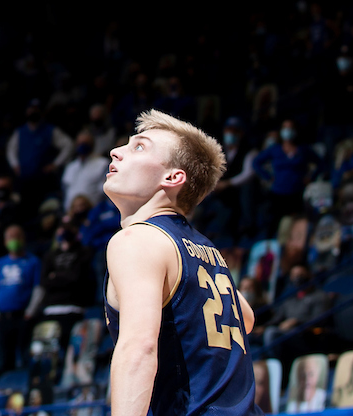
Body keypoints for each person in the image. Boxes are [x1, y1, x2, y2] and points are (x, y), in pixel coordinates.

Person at [103, 109, 261, 416]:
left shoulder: (137, 240)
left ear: (173, 177)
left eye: (139, 146)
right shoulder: (204, 248)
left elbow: (139, 350)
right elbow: (248, 318)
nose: (116, 151)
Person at [0, 225, 43, 371]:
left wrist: (31, 312)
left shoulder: (32, 261)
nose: (13, 240)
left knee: (25, 357)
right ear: (5, 241)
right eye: (10, 237)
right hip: (3, 317)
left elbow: (38, 289)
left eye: (16, 236)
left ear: (23, 239)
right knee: (4, 360)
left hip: (23, 316)